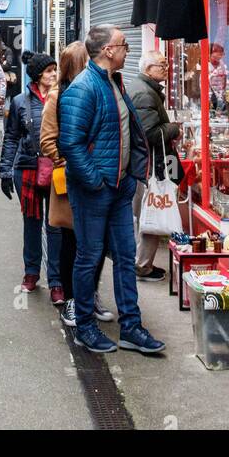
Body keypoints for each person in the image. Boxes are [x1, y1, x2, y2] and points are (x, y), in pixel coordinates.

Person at [59, 25, 165, 356]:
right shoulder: (83, 87)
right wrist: (95, 181)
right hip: (97, 189)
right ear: (107, 51)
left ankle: (131, 327)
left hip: (120, 187)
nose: (127, 50)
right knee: (89, 258)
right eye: (123, 45)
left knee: (123, 257)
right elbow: (70, 143)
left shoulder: (115, 83)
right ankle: (85, 328)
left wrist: (131, 176)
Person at [40, 40, 113, 330]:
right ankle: (73, 299)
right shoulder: (57, 97)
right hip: (70, 184)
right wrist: (70, 163)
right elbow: (47, 140)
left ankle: (89, 295)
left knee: (97, 242)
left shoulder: (99, 91)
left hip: (99, 181)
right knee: (73, 243)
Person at [0, 52, 64, 300]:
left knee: (55, 225)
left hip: (56, 169)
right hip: (27, 169)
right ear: (37, 75)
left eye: (55, 70)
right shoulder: (20, 102)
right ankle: (31, 273)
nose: (54, 74)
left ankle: (56, 281)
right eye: (49, 71)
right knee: (32, 224)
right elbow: (12, 138)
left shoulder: (63, 98)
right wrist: (5, 171)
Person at [125, 52, 182, 281]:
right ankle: (142, 266)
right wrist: (173, 128)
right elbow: (148, 134)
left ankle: (142, 263)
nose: (166, 67)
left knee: (145, 211)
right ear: (148, 69)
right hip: (151, 166)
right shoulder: (144, 94)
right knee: (150, 211)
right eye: (162, 64)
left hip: (150, 163)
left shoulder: (146, 88)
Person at [208, 42, 228, 112]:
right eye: (219, 53)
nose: (221, 56)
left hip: (221, 98)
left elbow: (224, 81)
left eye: (221, 54)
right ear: (211, 54)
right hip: (210, 98)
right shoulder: (206, 66)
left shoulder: (222, 65)